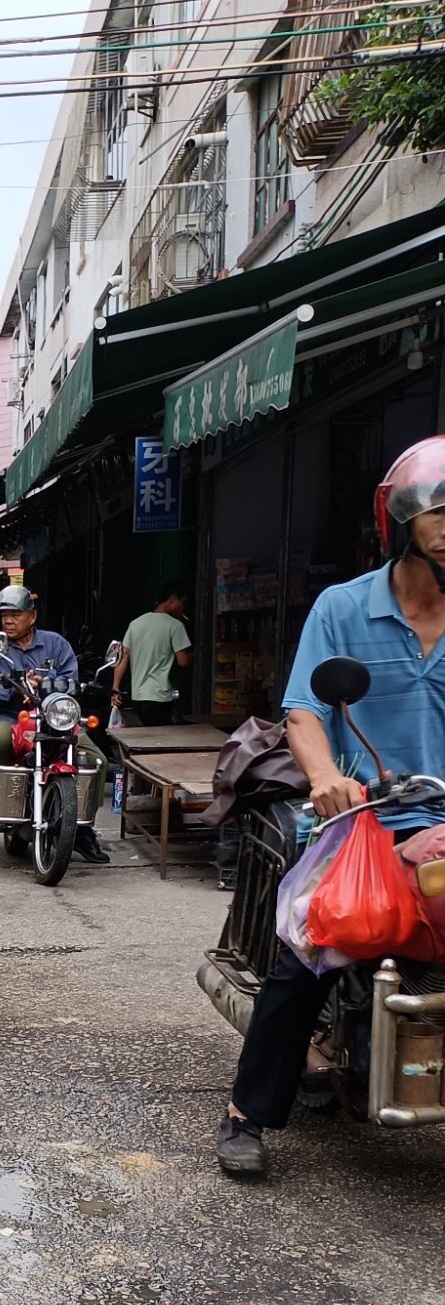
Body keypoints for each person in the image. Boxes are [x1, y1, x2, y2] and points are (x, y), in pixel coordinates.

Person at [217, 436, 445, 1180]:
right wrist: (327, 780)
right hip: (365, 824)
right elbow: (305, 711)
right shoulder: (343, 608)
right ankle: (247, 1113)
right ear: (403, 521)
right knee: (311, 956)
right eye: (441, 510)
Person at [0, 584, 110, 863]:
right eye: (5, 615)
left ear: (32, 617)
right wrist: (13, 688)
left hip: (53, 717)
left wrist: (47, 683)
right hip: (10, 716)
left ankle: (82, 827)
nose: (8, 620)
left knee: (98, 761)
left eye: (16, 614)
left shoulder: (55, 644)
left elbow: (72, 680)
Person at [113, 585, 192, 726]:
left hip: (138, 696)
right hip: (160, 696)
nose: (183, 607)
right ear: (173, 599)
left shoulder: (135, 624)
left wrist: (115, 688)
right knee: (162, 738)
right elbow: (183, 661)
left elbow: (123, 657)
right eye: (183, 602)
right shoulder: (175, 625)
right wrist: (196, 654)